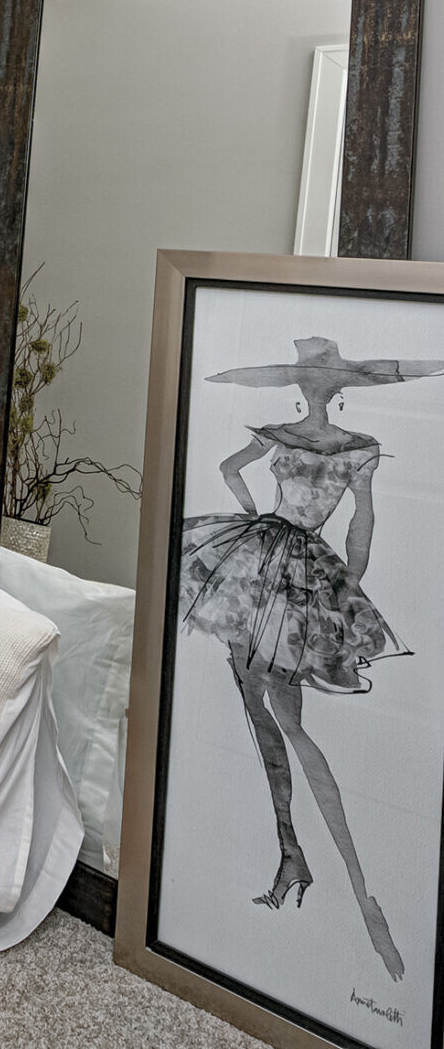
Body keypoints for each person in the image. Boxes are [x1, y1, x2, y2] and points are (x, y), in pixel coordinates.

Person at [178, 337, 443, 986]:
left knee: (279, 719)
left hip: (275, 566)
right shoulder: (343, 444)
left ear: (318, 384)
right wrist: (335, 584)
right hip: (286, 568)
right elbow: (358, 525)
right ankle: (295, 853)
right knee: (266, 711)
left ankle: (328, 869)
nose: (314, 385)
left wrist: (326, 588)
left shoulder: (309, 439)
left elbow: (235, 474)